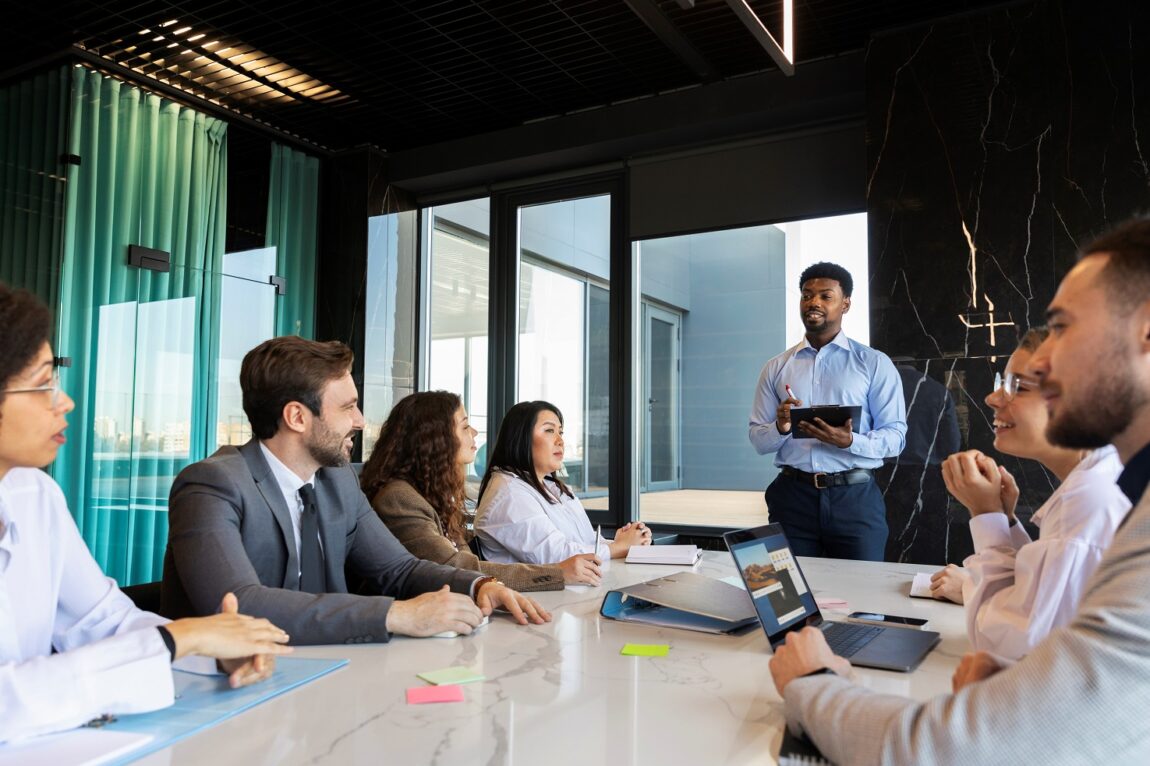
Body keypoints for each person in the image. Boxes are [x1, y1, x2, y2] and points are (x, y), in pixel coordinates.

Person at [768, 218, 1150, 764]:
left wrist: (814, 682)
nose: (1041, 360)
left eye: (1062, 327)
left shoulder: (1107, 510)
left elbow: (961, 747)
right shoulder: (1125, 500)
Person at [0, 283, 292, 744]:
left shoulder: (34, 493)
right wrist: (182, 640)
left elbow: (103, 619)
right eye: (41, 384)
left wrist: (214, 649)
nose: (65, 402)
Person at [162, 337, 551, 645]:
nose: (361, 421)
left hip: (329, 673)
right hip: (227, 693)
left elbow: (399, 568)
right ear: (297, 416)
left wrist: (481, 585)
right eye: (348, 407)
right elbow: (239, 603)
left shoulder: (338, 480)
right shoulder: (211, 486)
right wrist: (395, 615)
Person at [931, 329, 1129, 664]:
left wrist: (985, 516)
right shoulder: (1103, 477)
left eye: (1017, 386)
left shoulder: (1089, 500)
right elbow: (1044, 600)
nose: (993, 398)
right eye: (1002, 381)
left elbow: (1008, 648)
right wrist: (1005, 520)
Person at [361, 391, 603, 589]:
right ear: (434, 439)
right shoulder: (399, 499)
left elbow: (466, 560)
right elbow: (456, 568)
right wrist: (556, 572)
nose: (475, 433)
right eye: (465, 426)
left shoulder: (434, 497)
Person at [748, 262, 907, 560]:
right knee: (790, 600)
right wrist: (781, 426)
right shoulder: (776, 367)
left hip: (855, 499)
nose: (814, 303)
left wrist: (850, 441)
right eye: (807, 295)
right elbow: (758, 440)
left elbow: (896, 437)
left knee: (862, 601)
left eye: (825, 296)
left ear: (845, 303)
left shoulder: (873, 363)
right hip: (792, 499)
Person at [474, 400, 652, 563]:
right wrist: (620, 547)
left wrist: (625, 541)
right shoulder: (509, 493)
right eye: (549, 430)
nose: (560, 441)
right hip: (542, 596)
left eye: (561, 432)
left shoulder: (554, 487)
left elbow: (585, 541)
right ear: (521, 438)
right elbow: (557, 555)